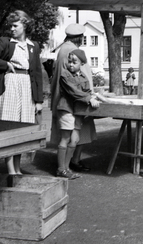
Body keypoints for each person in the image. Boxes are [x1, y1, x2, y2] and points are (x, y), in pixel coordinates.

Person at [0, 10, 43, 175]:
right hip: (10, 85)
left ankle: (17, 167)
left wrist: (39, 100)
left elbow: (36, 74)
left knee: (22, 129)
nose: (12, 29)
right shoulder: (6, 43)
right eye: (11, 26)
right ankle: (10, 171)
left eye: (15, 25)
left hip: (27, 87)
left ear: (25, 25)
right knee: (9, 127)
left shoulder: (33, 46)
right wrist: (5, 64)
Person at [50, 23, 96, 173]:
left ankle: (66, 165)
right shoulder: (74, 51)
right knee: (75, 134)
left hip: (66, 99)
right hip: (75, 102)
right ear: (79, 38)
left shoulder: (63, 49)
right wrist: (90, 95)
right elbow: (81, 79)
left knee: (71, 136)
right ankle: (68, 164)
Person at [56, 49, 101, 179]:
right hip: (67, 109)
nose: (71, 64)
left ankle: (66, 168)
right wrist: (89, 99)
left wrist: (95, 96)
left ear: (81, 63)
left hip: (78, 112)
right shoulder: (65, 75)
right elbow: (73, 91)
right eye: (69, 61)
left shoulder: (83, 77)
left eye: (74, 62)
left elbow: (87, 91)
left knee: (74, 140)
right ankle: (61, 169)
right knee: (65, 139)